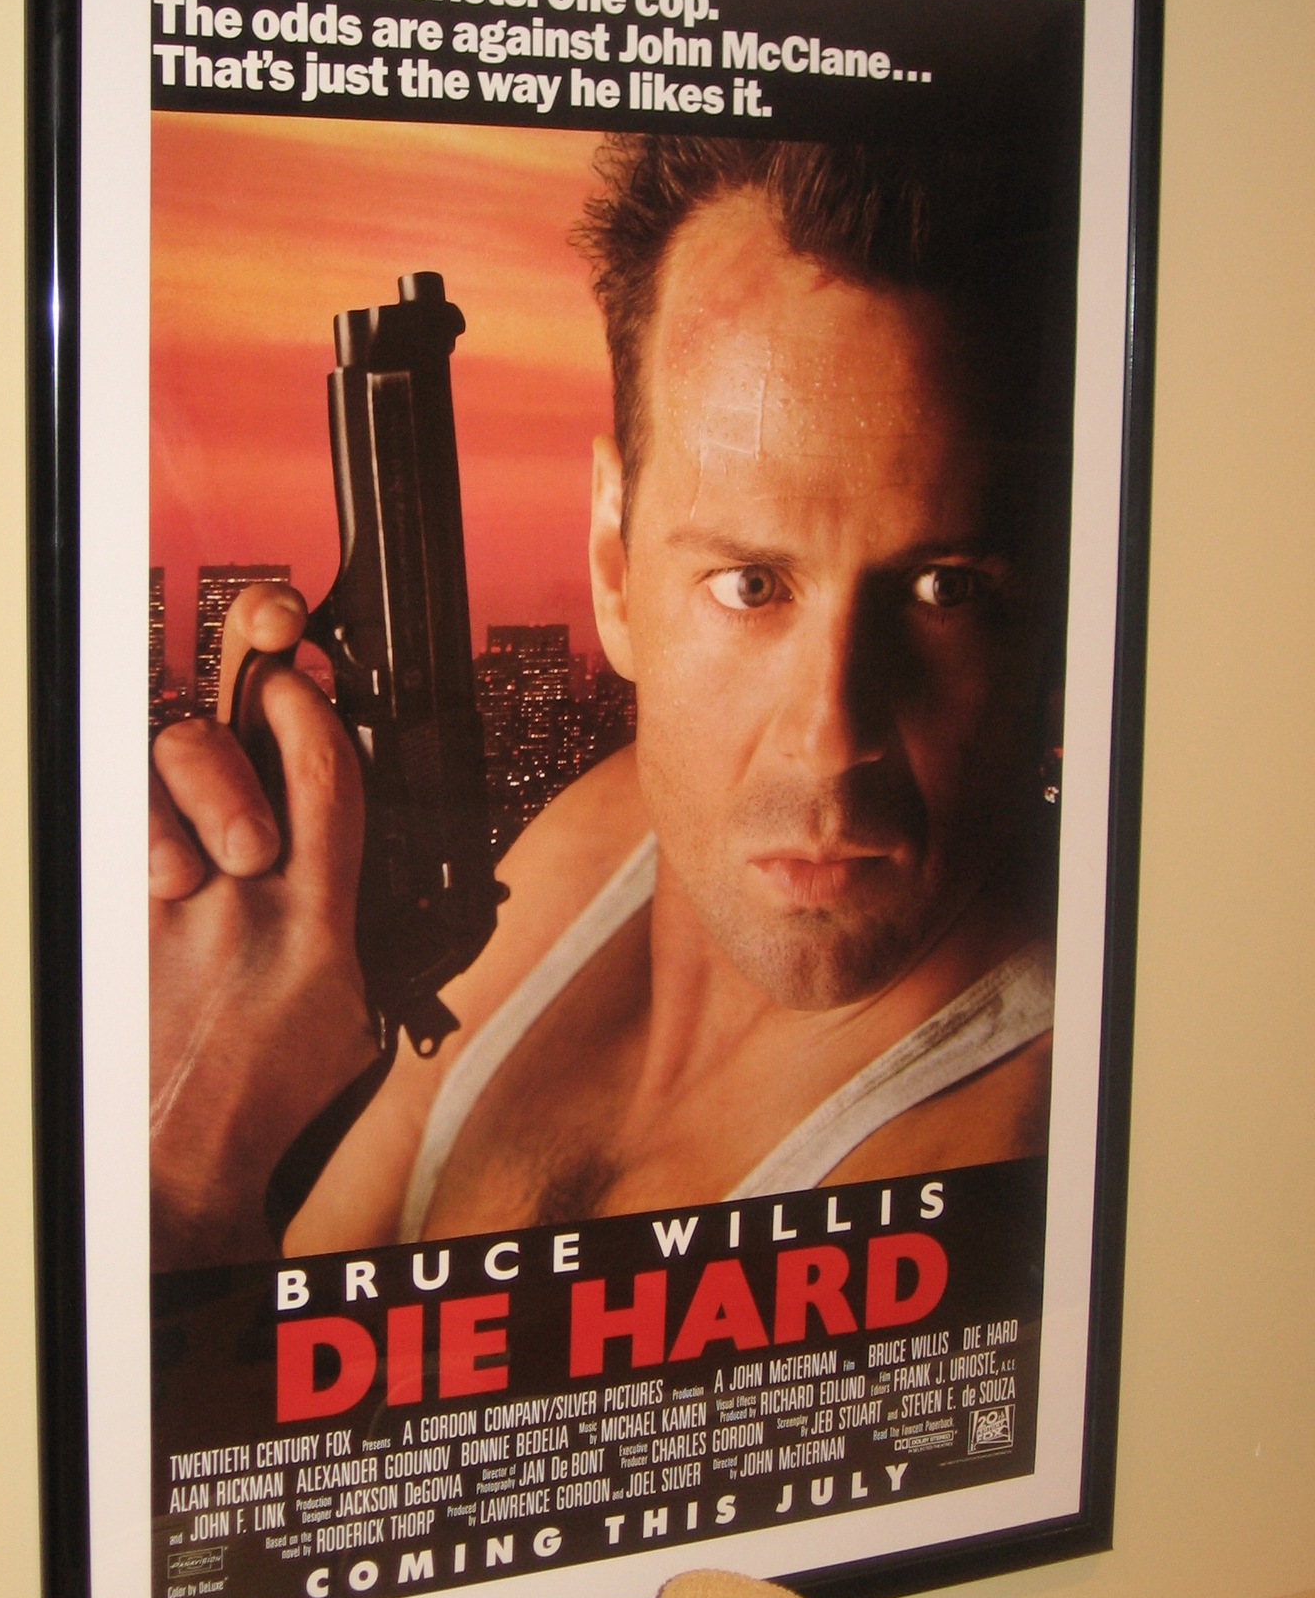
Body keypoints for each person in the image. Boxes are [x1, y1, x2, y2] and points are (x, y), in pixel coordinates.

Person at [148, 134, 1069, 1272]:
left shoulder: (1001, 1169)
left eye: (946, 591)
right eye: (750, 585)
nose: (830, 739)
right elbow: (312, 1288)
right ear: (613, 565)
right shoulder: (609, 839)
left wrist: (184, 1178)